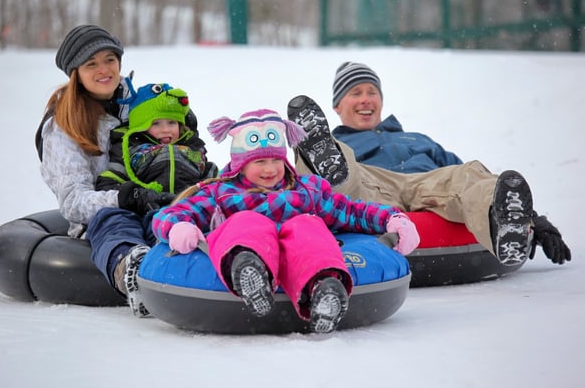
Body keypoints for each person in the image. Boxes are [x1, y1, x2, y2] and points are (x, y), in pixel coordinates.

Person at [152, 109, 420, 333]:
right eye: (259, 162)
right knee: (246, 221)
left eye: (275, 160)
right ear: (239, 166)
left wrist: (390, 219)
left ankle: (323, 288)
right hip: (250, 244)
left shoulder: (307, 191)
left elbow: (350, 211)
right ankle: (248, 270)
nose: (269, 170)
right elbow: (171, 213)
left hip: (298, 249)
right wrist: (178, 226)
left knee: (308, 226)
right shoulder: (221, 194)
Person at [287, 61, 571, 268]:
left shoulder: (416, 138)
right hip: (373, 186)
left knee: (466, 173)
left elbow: (469, 178)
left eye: (372, 92)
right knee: (342, 171)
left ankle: (504, 224)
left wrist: (534, 218)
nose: (365, 99)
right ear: (337, 106)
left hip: (428, 184)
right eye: (355, 93)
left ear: (381, 100)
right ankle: (320, 161)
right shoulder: (341, 144)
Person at [36, 25, 193, 317]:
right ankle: (131, 270)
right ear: (75, 73)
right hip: (104, 220)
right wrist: (125, 198)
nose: (104, 70)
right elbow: (72, 203)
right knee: (115, 220)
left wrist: (186, 128)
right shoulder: (62, 128)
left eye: (109, 59)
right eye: (91, 64)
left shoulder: (138, 107)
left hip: (157, 206)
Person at [95, 81, 217, 215]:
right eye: (156, 124)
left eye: (172, 122)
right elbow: (110, 181)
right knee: (116, 221)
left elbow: (211, 182)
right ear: (142, 127)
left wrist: (202, 198)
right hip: (146, 211)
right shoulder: (131, 149)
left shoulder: (194, 149)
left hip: (189, 211)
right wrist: (137, 196)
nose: (165, 130)